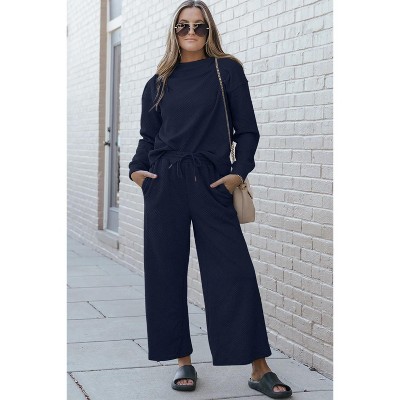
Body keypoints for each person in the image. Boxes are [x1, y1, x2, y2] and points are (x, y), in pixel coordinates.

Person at [128, 1, 292, 398]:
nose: (191, 32)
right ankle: (182, 360)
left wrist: (239, 171)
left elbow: (247, 130)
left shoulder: (226, 70)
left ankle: (259, 368)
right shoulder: (158, 82)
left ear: (209, 30)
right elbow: (148, 137)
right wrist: (137, 171)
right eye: (183, 26)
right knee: (166, 274)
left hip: (211, 182)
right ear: (174, 31)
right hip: (164, 182)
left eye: (199, 26)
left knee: (234, 273)